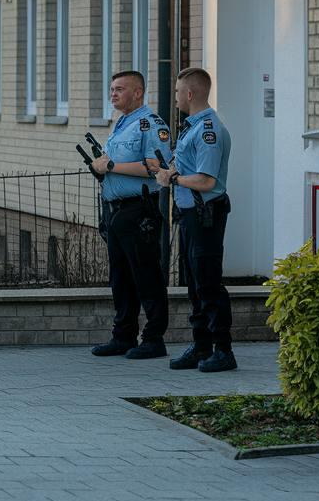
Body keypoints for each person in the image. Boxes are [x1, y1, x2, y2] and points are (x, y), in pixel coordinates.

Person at [154, 67, 235, 373]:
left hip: (206, 215)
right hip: (190, 215)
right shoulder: (192, 127)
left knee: (208, 282)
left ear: (190, 93)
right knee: (194, 285)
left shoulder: (208, 131)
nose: (174, 98)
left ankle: (223, 349)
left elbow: (205, 181)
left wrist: (174, 178)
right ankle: (202, 346)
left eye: (177, 92)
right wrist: (167, 170)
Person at [89, 71, 173, 360]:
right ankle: (123, 335)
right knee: (121, 277)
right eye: (111, 89)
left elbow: (157, 165)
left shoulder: (150, 124)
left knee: (146, 275)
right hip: (117, 211)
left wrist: (110, 166)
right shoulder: (122, 124)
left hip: (140, 209)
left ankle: (153, 338)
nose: (113, 94)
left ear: (138, 93)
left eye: (120, 89)